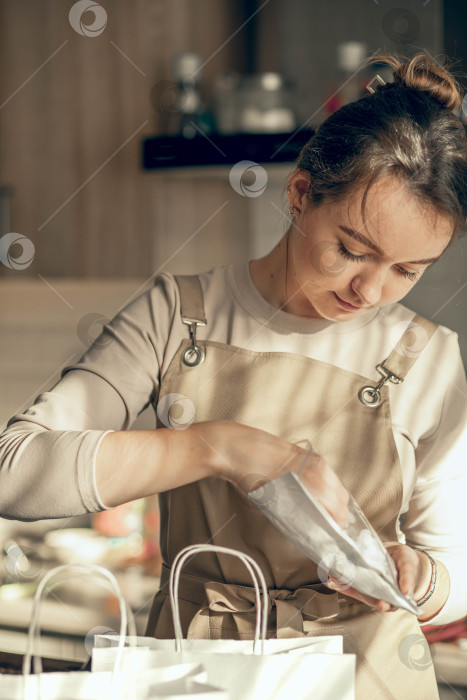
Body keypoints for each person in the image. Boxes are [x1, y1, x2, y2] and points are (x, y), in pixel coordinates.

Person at [1, 52, 466, 698]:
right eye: (351, 251)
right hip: (197, 672)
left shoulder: (430, 358)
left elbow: (454, 575)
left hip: (369, 679)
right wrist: (221, 448)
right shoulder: (179, 316)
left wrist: (421, 579)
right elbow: (15, 472)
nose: (370, 288)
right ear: (300, 194)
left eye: (406, 271)